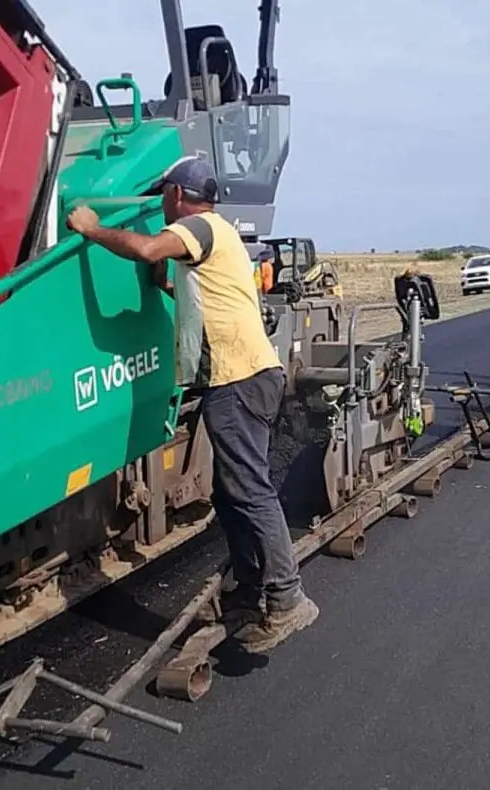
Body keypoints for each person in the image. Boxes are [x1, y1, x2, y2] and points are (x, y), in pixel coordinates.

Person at [65, 155, 319, 653]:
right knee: (230, 495)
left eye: (163, 195)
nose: (160, 202)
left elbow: (145, 247)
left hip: (238, 379)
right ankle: (249, 593)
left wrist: (93, 229)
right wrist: (160, 278)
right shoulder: (213, 241)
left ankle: (288, 599)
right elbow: (179, 287)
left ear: (177, 195)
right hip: (242, 377)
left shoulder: (200, 227)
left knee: (250, 491)